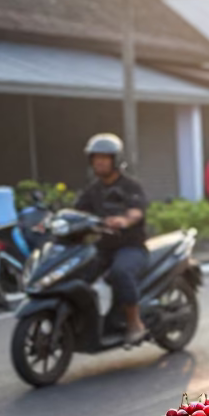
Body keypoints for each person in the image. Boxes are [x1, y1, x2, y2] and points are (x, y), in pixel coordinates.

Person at [75, 133, 148, 346]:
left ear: (115, 160)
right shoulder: (92, 190)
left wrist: (125, 220)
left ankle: (135, 323)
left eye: (104, 157)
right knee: (78, 274)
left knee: (121, 272)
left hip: (131, 247)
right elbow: (77, 211)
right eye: (95, 157)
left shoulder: (131, 186)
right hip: (103, 248)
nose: (99, 161)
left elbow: (136, 211)